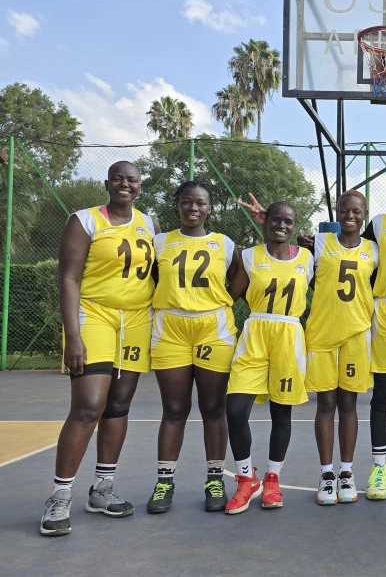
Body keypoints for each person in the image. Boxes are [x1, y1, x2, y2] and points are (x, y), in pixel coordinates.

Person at [290, 157, 386, 499]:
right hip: (385, 310)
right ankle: (378, 468)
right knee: (385, 392)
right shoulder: (377, 224)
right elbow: (358, 264)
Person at [40, 161, 158, 536]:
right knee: (89, 406)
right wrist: (72, 334)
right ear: (108, 184)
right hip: (95, 315)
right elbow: (69, 277)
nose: (126, 184)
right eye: (119, 178)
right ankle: (60, 496)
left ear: (140, 186)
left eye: (133, 180)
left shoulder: (150, 224)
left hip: (137, 320)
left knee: (119, 405)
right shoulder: (85, 220)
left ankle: (102, 489)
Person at [146, 181, 241, 515]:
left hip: (212, 327)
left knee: (213, 408)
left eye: (200, 203)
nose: (193, 208)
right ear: (178, 205)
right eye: (186, 202)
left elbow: (240, 277)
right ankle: (164, 482)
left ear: (209, 208)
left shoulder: (225, 244)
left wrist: (223, 303)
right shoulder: (159, 242)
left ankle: (215, 478)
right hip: (171, 327)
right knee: (174, 409)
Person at [222, 201, 314, 514]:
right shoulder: (248, 257)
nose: (282, 226)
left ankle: (273, 478)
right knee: (235, 410)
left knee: (282, 415)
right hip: (255, 335)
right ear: (265, 222)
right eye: (276, 220)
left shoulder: (307, 259)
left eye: (288, 221)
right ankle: (247, 478)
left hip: (289, 337)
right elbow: (228, 298)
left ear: (295, 226)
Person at [305, 191, 378, 505]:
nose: (350, 216)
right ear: (337, 212)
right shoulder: (320, 244)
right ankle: (326, 474)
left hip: (355, 335)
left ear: (364, 214)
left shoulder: (374, 250)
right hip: (322, 334)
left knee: (349, 405)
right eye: (345, 211)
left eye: (356, 211)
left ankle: (346, 473)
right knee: (325, 405)